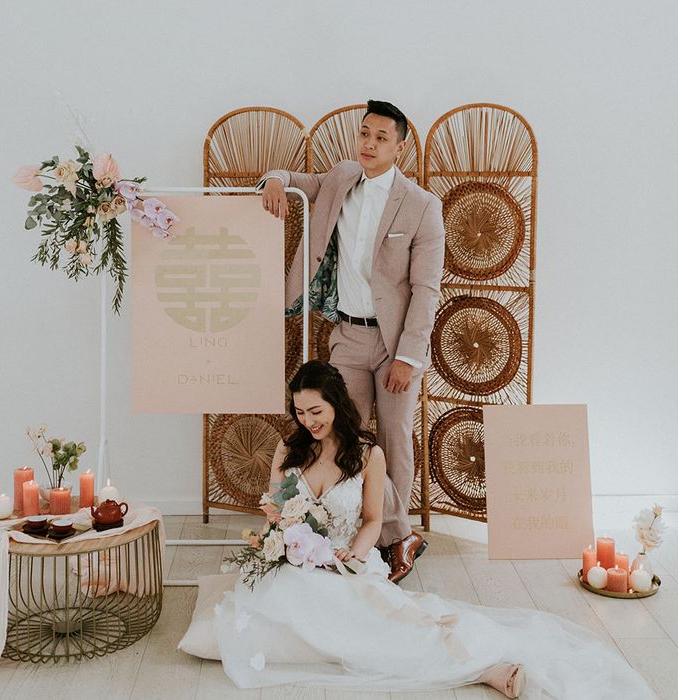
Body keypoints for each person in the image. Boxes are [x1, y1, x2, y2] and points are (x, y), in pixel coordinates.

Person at [179, 361, 655, 698]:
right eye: (300, 413)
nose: (309, 422)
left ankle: (481, 663)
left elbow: (370, 522)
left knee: (382, 617)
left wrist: (353, 554)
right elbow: (275, 509)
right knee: (308, 604)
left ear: (336, 404)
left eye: (316, 412)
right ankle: (479, 667)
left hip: (347, 559)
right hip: (294, 562)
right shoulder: (290, 451)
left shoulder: (367, 454)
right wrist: (280, 528)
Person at [259, 100, 444, 582]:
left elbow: (426, 290)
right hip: (345, 332)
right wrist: (276, 180)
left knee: (393, 442)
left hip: (393, 343)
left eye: (382, 137)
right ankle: (356, 532)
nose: (370, 143)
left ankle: (396, 535)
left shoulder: (422, 205)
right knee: (349, 438)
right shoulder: (342, 177)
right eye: (365, 134)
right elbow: (298, 181)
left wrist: (407, 356)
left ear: (400, 146)